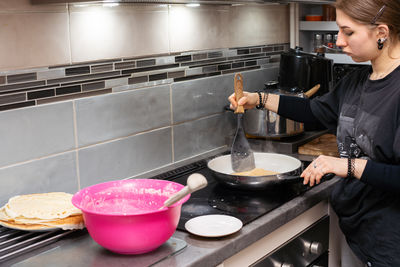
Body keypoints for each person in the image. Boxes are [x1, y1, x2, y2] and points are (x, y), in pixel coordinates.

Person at [228, 0, 400, 266]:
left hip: (391, 243)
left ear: (382, 33)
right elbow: (315, 111)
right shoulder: (357, 81)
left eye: (348, 31)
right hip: (359, 232)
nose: (339, 41)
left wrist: (347, 165)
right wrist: (259, 99)